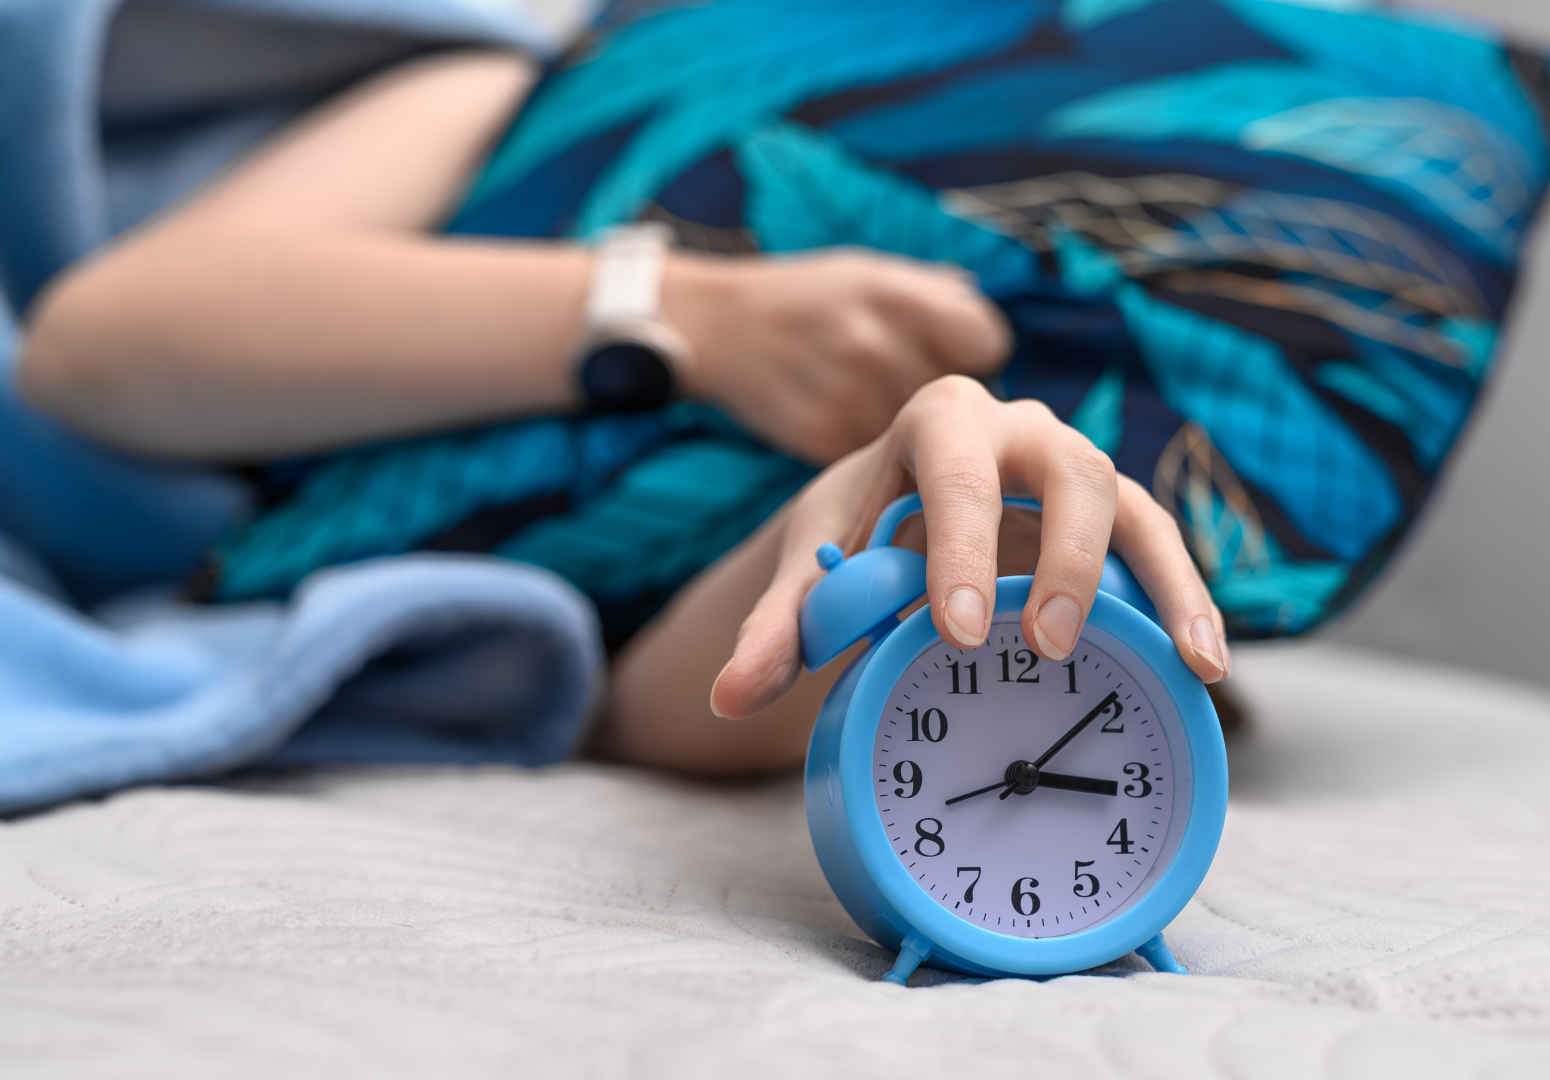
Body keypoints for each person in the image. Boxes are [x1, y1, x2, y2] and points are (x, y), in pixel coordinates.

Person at [16, 50, 1229, 776]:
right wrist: (695, 316)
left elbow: (664, 707)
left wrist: (888, 520)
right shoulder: (515, 98)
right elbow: (90, 347)